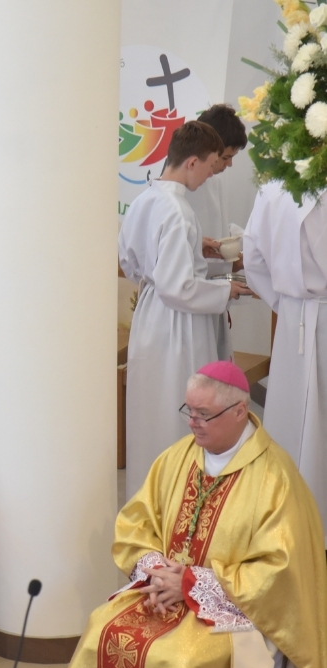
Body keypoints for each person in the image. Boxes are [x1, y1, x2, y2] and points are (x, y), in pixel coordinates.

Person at [45, 361, 327, 668]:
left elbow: (280, 573)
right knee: (102, 630)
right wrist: (158, 572)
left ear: (240, 411)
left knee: (180, 661)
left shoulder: (275, 478)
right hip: (164, 591)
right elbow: (137, 523)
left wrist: (194, 585)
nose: (192, 422)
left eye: (203, 414)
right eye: (189, 411)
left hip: (237, 612)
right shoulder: (178, 457)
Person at [120, 120, 253, 494]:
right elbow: (179, 287)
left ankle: (147, 495)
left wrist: (198, 253)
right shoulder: (179, 211)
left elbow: (135, 264)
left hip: (150, 315)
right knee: (180, 410)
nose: (212, 173)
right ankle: (179, 498)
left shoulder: (145, 199)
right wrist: (227, 290)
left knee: (151, 411)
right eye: (211, 164)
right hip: (179, 324)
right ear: (192, 162)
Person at [243, 183, 327, 542]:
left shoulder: (273, 187)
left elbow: (252, 258)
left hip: (293, 319)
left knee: (290, 425)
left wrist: (286, 303)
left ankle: (285, 527)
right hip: (305, 313)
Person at [185, 104, 249, 362]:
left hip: (213, 299)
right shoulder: (178, 191)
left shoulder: (214, 183)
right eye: (225, 157)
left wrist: (234, 257)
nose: (229, 164)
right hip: (188, 306)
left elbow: (218, 234)